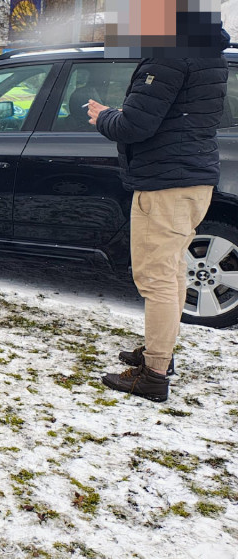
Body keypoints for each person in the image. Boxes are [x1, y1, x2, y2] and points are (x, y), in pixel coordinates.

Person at [88, 2, 229, 402]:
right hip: (190, 179)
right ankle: (159, 354)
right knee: (173, 272)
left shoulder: (170, 55)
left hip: (166, 183)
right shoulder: (207, 52)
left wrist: (103, 117)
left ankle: (152, 375)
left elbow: (134, 125)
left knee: (157, 279)